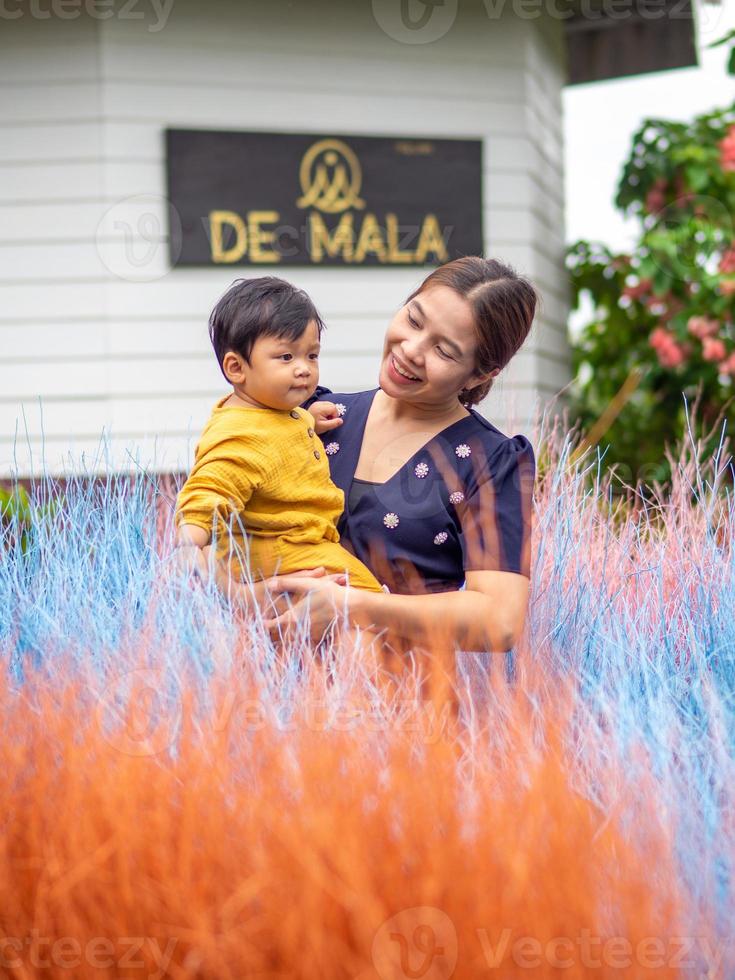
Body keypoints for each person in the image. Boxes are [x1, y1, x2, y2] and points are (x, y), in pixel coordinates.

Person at [262, 256, 538, 676]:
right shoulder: (315, 414)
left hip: (398, 711)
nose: (411, 351)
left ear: (480, 374)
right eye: (413, 319)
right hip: (264, 694)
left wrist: (351, 607)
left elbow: (498, 622)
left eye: (444, 350)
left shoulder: (489, 462)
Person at [174, 277, 386, 604]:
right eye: (286, 357)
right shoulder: (239, 434)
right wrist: (189, 543)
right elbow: (210, 487)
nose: (304, 369)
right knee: (367, 601)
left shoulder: (272, 412)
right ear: (236, 367)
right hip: (283, 549)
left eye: (312, 355)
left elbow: (275, 442)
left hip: (296, 544)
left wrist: (309, 421)